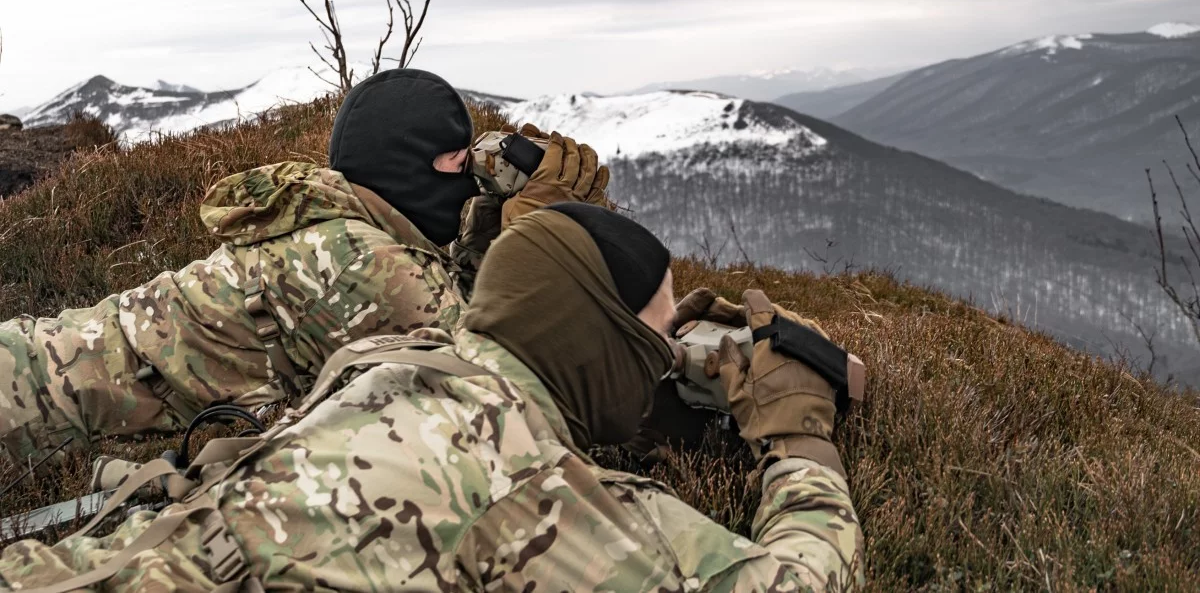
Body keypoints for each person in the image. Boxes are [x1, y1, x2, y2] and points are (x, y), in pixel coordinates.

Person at [0, 203, 864, 592]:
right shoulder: (532, 496)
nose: (666, 358)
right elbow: (799, 581)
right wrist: (799, 442)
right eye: (659, 335)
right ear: (604, 344)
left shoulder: (389, 359)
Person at [0, 68, 612, 463]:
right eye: (456, 162)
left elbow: (453, 309)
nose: (468, 180)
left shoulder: (336, 216)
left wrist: (485, 230)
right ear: (407, 164)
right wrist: (535, 235)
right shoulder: (363, 265)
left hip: (36, 361)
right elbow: (500, 386)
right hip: (27, 398)